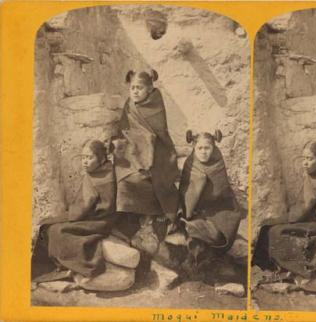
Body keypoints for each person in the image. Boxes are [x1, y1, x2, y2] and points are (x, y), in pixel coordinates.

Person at [112, 69, 180, 255]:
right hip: (133, 151)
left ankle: (150, 222)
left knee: (152, 180)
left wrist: (146, 149)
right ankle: (130, 225)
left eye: (140, 88)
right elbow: (125, 129)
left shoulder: (155, 104)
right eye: (133, 87)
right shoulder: (129, 104)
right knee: (124, 177)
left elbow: (159, 134)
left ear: (149, 89)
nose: (135, 91)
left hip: (158, 152)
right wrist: (124, 144)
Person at [32, 140, 117, 282]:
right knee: (49, 226)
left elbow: (84, 207)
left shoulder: (101, 176)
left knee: (55, 230)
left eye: (89, 158)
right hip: (92, 216)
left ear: (102, 158)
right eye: (83, 157)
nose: (85, 162)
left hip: (99, 220)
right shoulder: (101, 171)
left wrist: (66, 216)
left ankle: (66, 267)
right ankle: (62, 265)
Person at [263, 142, 316, 279]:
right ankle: (271, 267)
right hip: (311, 217)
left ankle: (298, 270)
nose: (305, 163)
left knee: (276, 231)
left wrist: (285, 218)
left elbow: (306, 207)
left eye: (310, 159)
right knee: (268, 227)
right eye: (304, 158)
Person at [179, 130, 241, 275]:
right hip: (194, 211)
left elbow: (222, 196)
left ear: (213, 149)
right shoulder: (190, 164)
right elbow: (184, 192)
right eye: (199, 148)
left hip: (218, 212)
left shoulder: (217, 165)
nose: (203, 152)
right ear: (194, 148)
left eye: (207, 148)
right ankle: (197, 263)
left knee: (214, 234)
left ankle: (209, 262)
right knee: (192, 228)